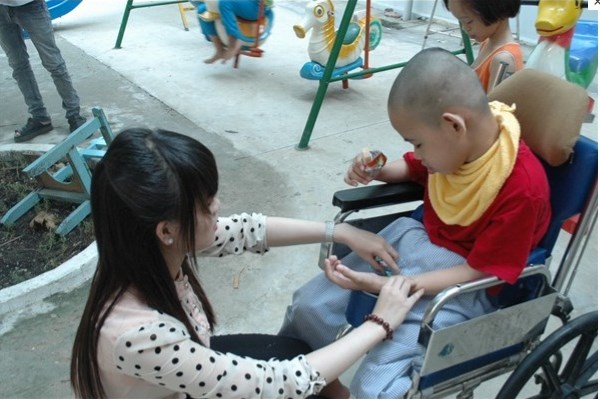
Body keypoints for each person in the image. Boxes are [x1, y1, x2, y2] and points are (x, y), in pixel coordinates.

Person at [70, 127, 424, 398]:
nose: (218, 207)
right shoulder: (138, 334)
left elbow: (248, 230)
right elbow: (274, 384)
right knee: (308, 373)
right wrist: (380, 323)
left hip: (185, 372)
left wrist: (341, 232)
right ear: (167, 230)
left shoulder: (143, 251)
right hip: (185, 382)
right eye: (207, 203)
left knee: (310, 363)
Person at [278, 47, 551, 398]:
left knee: (376, 386)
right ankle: (321, 388)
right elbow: (413, 168)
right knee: (309, 306)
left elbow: (480, 271)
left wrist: (394, 286)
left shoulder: (522, 189)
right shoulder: (458, 146)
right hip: (411, 241)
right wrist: (376, 170)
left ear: (454, 125)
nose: (417, 153)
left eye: (417, 143)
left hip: (462, 283)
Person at [0, 0, 86, 142]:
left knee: (53, 63)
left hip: (30, 6)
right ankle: (40, 118)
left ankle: (74, 115)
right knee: (18, 66)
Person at [443, 0, 523, 92]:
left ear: (494, 9)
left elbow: (494, 101)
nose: (464, 28)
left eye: (468, 21)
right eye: (461, 22)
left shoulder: (504, 60)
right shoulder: (487, 43)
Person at [194, 0, 273, 64]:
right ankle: (219, 50)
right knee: (202, 9)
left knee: (225, 3)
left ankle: (233, 42)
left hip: (258, 5)